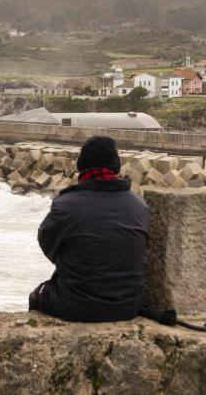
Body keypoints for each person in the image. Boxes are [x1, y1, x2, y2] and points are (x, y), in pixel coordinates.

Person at [29, 136, 150, 322]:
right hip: (128, 306)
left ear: (81, 165)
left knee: (37, 296)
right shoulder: (139, 206)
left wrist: (73, 262)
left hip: (76, 306)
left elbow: (46, 241)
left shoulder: (66, 205)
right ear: (116, 165)